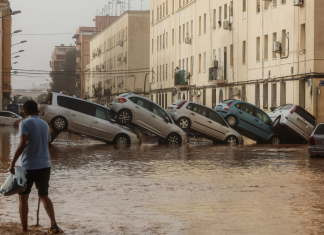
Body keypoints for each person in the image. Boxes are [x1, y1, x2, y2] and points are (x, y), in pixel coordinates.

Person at [8, 100, 62, 234]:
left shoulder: (24, 123)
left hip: (28, 166)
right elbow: (49, 143)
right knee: (44, 195)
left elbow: (22, 143)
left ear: (24, 112)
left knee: (23, 197)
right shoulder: (45, 124)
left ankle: (25, 230)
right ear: (38, 112)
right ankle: (53, 224)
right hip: (45, 165)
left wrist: (12, 162)